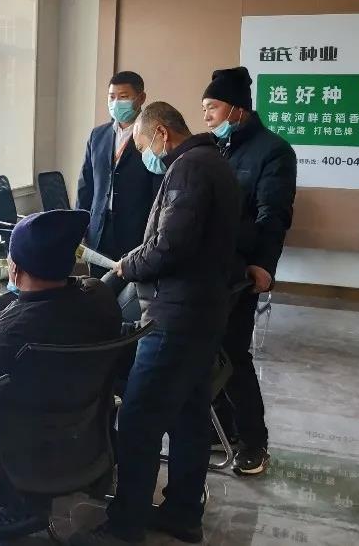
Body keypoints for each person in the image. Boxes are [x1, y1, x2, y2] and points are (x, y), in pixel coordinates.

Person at [70, 102, 241, 546]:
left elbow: (170, 247)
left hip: (175, 317)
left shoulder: (189, 169)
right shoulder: (213, 162)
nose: (145, 153)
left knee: (139, 419)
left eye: (144, 144)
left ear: (162, 133)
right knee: (189, 417)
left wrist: (129, 266)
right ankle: (183, 513)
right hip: (202, 312)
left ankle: (125, 524)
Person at [0, 209, 123, 540]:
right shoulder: (100, 297)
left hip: (23, 445)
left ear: (14, 269)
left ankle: (22, 500)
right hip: (86, 433)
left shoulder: (11, 328)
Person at [202, 67, 297, 476]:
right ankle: (221, 429)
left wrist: (263, 265)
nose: (207, 115)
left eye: (213, 107)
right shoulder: (212, 148)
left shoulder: (273, 151)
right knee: (208, 351)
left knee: (233, 353)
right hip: (207, 271)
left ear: (237, 109)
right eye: (204, 108)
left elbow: (273, 214)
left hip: (240, 273)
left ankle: (254, 442)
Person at [77, 71, 162, 276]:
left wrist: (155, 234)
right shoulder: (98, 135)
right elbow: (86, 185)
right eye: (111, 97)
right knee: (97, 288)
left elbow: (158, 189)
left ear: (141, 98)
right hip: (98, 232)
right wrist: (78, 226)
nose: (116, 103)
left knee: (130, 291)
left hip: (136, 233)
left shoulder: (154, 136)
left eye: (123, 97)